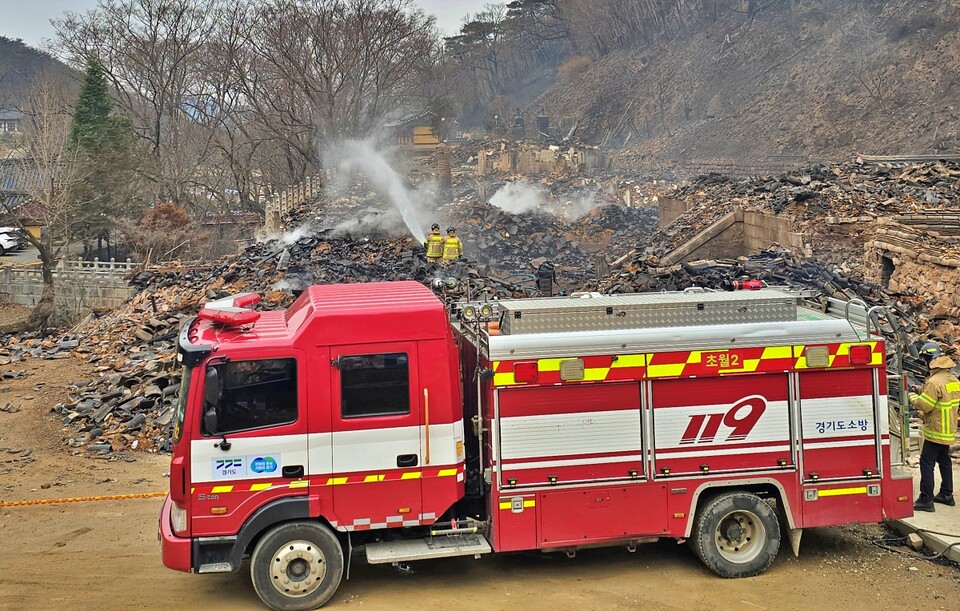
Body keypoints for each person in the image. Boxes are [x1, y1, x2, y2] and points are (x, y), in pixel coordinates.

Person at [908, 341, 959, 511]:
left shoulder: (933, 382)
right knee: (944, 460)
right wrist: (921, 389)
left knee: (926, 462)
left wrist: (911, 396)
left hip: (936, 430)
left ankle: (926, 499)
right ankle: (946, 494)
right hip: (949, 428)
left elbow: (925, 406)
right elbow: (941, 396)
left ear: (929, 361)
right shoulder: (952, 379)